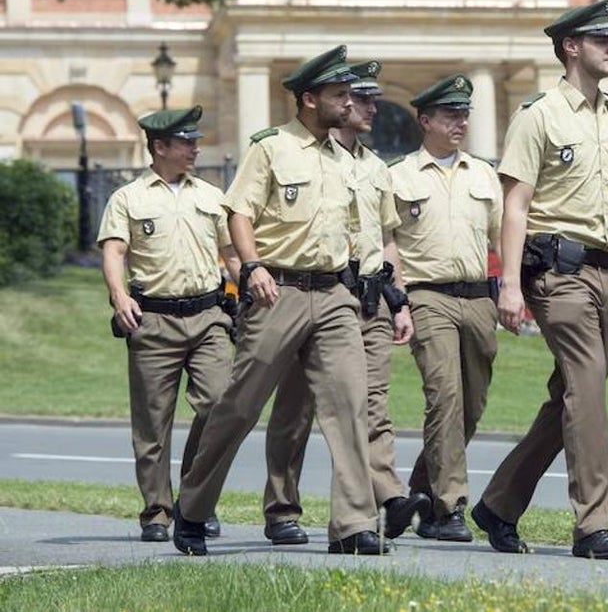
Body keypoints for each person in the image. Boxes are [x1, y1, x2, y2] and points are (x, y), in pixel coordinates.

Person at [172, 45, 382, 557]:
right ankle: (193, 507)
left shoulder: (342, 158)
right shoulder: (270, 149)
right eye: (339, 95)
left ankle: (354, 523)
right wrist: (252, 266)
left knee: (350, 405)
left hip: (334, 294)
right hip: (277, 291)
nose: (348, 103)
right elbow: (237, 213)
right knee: (240, 406)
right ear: (310, 99)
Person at [471, 0, 608, 561]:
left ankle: (498, 503)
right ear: (572, 47)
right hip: (559, 275)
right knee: (587, 390)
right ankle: (593, 525)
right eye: (602, 38)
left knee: (573, 396)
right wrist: (511, 285)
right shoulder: (539, 114)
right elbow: (515, 203)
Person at [261, 60, 429, 546]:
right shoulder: (311, 154)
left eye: (376, 100)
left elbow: (388, 239)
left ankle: (371, 507)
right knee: (294, 412)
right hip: (315, 294)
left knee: (364, 405)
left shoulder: (377, 169)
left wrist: (399, 300)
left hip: (369, 300)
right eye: (364, 99)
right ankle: (281, 509)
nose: (372, 107)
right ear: (342, 102)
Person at [97, 106, 239, 543]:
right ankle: (156, 512)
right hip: (153, 319)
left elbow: (231, 253)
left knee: (219, 405)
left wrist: (250, 283)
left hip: (209, 317)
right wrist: (120, 296)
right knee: (152, 426)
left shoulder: (213, 195)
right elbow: (115, 252)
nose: (196, 147)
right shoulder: (128, 198)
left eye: (195, 141)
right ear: (160, 147)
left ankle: (194, 503)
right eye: (187, 142)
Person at [387, 74, 502, 542]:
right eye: (451, 114)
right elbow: (387, 243)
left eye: (464, 114)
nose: (461, 122)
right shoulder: (399, 176)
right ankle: (449, 507)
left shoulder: (483, 174)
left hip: (477, 298)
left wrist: (513, 288)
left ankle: (421, 490)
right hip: (427, 295)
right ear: (425, 120)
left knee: (471, 406)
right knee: (445, 398)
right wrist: (399, 301)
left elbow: (502, 237)